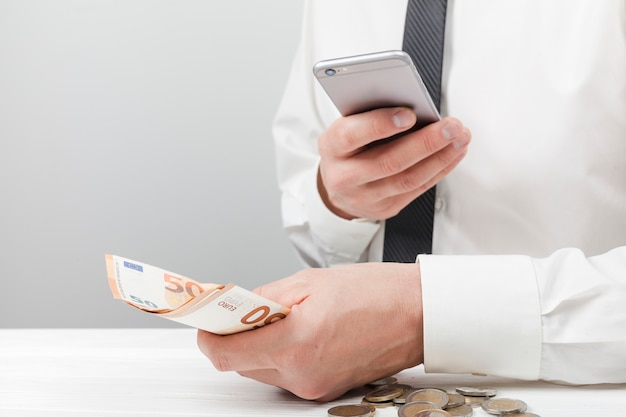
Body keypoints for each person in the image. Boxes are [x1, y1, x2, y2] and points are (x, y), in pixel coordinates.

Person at [197, 0, 626, 401]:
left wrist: (419, 315)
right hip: (368, 393)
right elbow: (313, 228)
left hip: (572, 396)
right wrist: (340, 203)